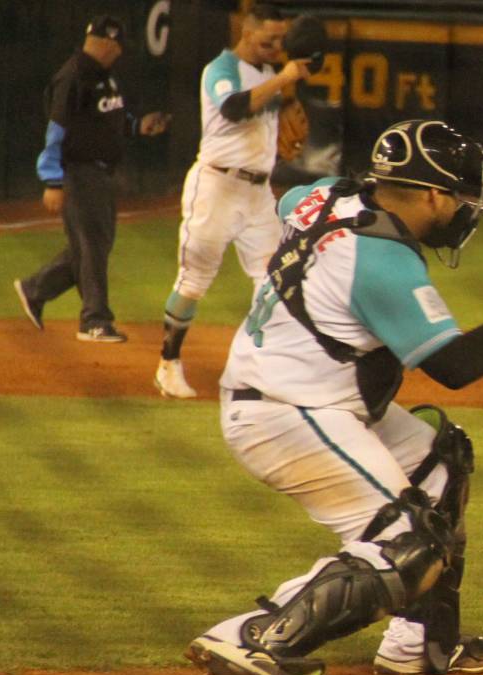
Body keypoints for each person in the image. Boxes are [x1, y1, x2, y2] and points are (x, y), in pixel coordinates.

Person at [184, 119, 483, 675]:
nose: (465, 209)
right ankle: (256, 637)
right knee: (407, 542)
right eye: (459, 196)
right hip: (286, 414)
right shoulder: (382, 261)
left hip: (305, 396)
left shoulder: (327, 193)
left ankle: (418, 644)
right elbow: (454, 369)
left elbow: (287, 198)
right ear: (433, 195)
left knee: (440, 460)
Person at [154, 3, 311, 398]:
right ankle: (168, 363)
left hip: (258, 195)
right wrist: (286, 81)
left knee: (277, 279)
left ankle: (261, 368)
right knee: (194, 280)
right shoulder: (220, 68)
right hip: (216, 188)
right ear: (246, 32)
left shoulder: (268, 75)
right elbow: (234, 107)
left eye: (281, 40)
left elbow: (265, 119)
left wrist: (285, 117)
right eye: (268, 39)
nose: (276, 47)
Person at [13, 15, 170, 342]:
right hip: (79, 171)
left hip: (98, 172)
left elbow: (109, 120)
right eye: (119, 47)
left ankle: (35, 289)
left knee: (92, 246)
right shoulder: (74, 77)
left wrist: (138, 125)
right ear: (108, 42)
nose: (120, 53)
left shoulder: (104, 76)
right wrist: (52, 181)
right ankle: (94, 321)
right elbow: (56, 132)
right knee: (93, 247)